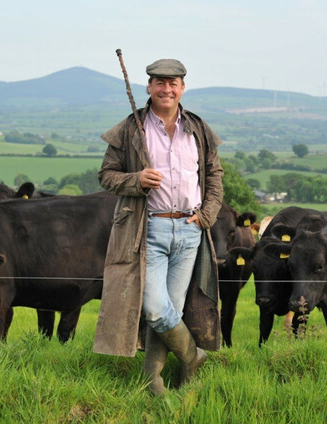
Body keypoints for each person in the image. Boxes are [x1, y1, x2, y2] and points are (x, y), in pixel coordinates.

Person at [93, 58, 224, 395]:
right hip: (148, 228)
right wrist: (136, 179)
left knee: (171, 310)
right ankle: (193, 356)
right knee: (154, 308)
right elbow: (106, 175)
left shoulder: (197, 129)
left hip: (190, 229)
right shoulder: (131, 129)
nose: (167, 89)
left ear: (182, 88)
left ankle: (152, 380)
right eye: (160, 82)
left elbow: (214, 176)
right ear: (149, 87)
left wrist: (206, 215)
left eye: (173, 83)